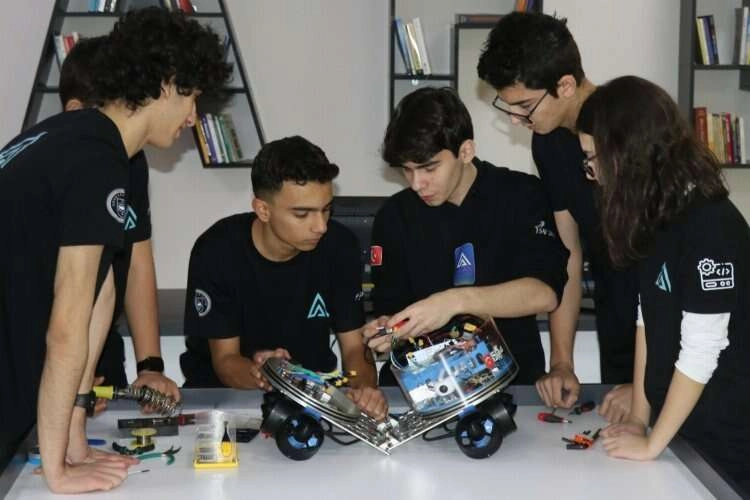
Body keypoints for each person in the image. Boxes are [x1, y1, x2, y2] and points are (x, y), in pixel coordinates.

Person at [0, 8, 231, 493]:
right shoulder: (93, 157)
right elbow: (66, 328)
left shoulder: (94, 146)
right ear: (165, 84)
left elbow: (100, 299)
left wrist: (75, 442)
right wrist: (58, 471)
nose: (193, 117)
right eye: (191, 97)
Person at [577, 75, 750, 496]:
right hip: (680, 432)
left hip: (724, 441)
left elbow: (702, 350)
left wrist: (653, 442)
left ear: (627, 154)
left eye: (593, 159)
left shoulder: (710, 225)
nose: (593, 173)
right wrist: (639, 417)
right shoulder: (656, 216)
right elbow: (648, 320)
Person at [477, 11, 638, 420]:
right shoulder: (548, 143)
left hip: (672, 326)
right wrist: (562, 362)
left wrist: (646, 382)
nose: (516, 119)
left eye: (524, 106)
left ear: (565, 85)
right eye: (509, 106)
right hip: (618, 314)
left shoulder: (632, 128)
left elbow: (670, 265)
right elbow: (567, 253)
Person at [363, 87, 569, 387]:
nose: (417, 183)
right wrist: (388, 329)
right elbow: (391, 309)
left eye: (429, 168)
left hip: (510, 383)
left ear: (466, 151)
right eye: (407, 170)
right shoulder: (394, 217)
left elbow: (544, 292)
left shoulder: (520, 195)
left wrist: (454, 302)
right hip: (421, 387)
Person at [180, 135, 387, 420]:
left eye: (326, 209)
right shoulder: (218, 251)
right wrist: (264, 373)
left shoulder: (340, 246)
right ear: (263, 210)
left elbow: (354, 348)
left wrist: (364, 389)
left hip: (310, 402)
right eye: (302, 214)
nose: (321, 226)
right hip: (222, 403)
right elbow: (226, 361)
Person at [58, 36, 180, 412]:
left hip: (99, 344)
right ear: (75, 109)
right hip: (44, 352)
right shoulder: (56, 165)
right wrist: (67, 385)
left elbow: (136, 260)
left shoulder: (130, 162)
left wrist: (151, 367)